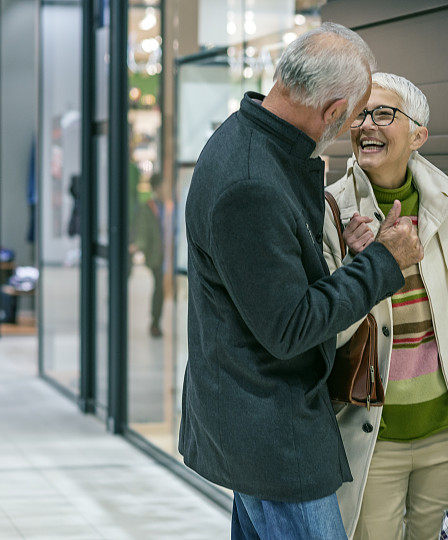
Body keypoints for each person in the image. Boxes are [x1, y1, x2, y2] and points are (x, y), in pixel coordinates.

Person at [178, 24, 430, 539]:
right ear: (334, 110)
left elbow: (273, 283)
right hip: (272, 431)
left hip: (258, 422)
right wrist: (383, 262)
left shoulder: (254, 142)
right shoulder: (252, 179)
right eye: (356, 112)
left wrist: (349, 255)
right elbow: (289, 325)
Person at [323, 73, 448, 540]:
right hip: (371, 435)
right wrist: (352, 265)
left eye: (383, 113)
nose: (366, 124)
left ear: (418, 135)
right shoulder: (329, 210)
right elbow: (324, 329)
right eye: (359, 114)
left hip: (446, 433)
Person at [130, 173, 171, 337]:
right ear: (157, 188)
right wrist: (138, 246)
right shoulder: (149, 207)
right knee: (159, 288)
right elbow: (144, 230)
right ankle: (155, 322)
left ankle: (156, 321)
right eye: (164, 185)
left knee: (160, 288)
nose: (166, 188)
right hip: (157, 256)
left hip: (168, 255)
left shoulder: (168, 206)